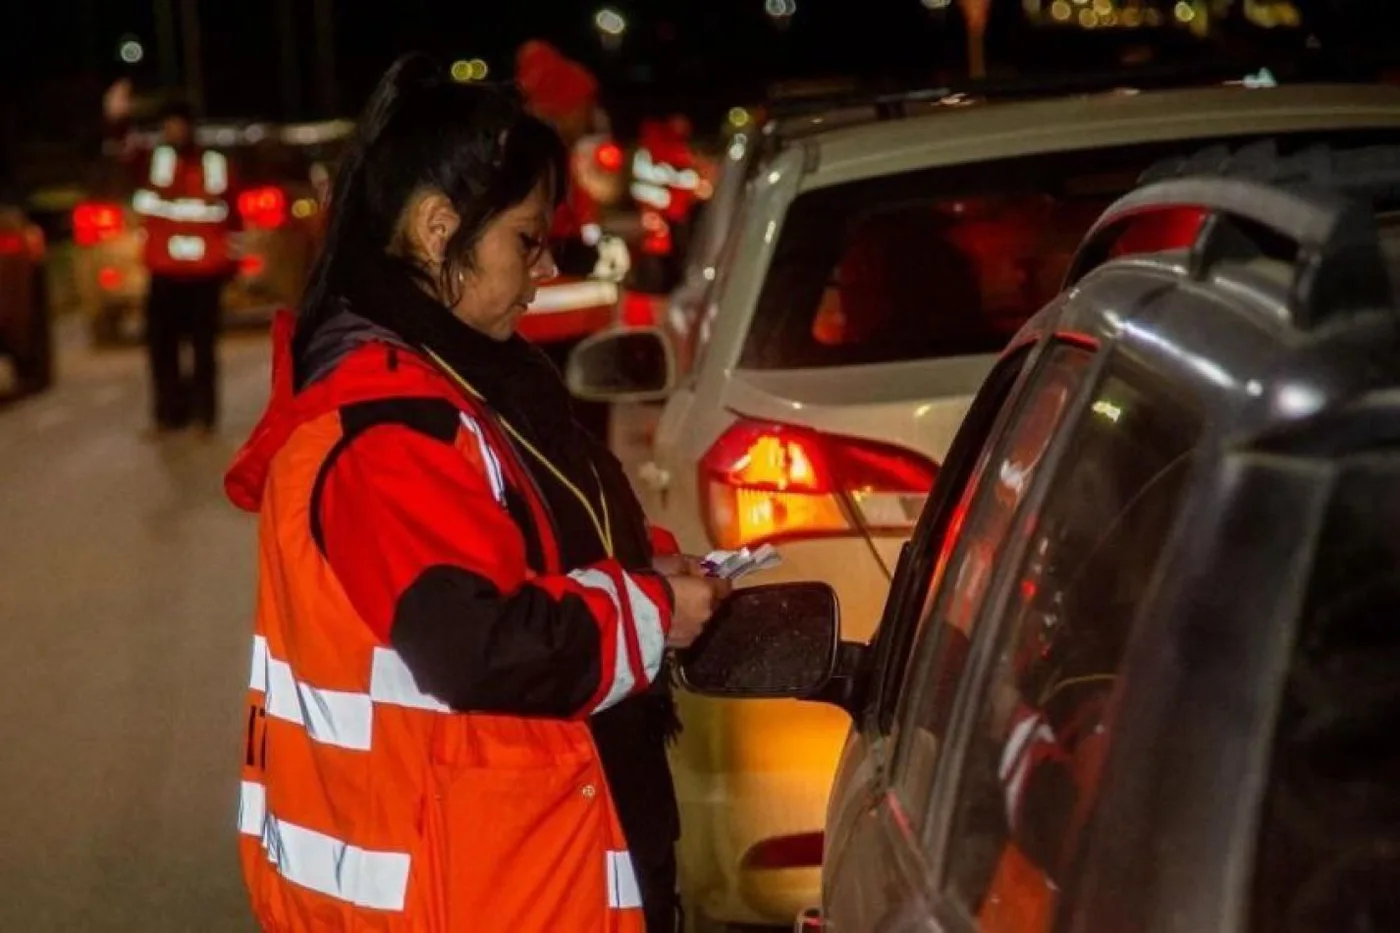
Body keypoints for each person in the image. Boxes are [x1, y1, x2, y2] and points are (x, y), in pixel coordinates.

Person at [224, 53, 729, 932]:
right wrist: (651, 609)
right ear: (435, 229)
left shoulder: (446, 384)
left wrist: (638, 557)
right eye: (526, 240)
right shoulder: (388, 431)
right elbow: (477, 645)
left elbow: (517, 524)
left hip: (505, 875)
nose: (541, 270)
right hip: (476, 895)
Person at [133, 99, 238, 435]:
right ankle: (168, 414)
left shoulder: (214, 164)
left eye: (178, 124)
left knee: (203, 348)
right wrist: (117, 119)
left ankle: (203, 415)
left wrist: (231, 263)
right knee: (162, 347)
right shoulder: (156, 162)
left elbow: (232, 216)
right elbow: (125, 160)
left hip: (205, 272)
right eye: (168, 126)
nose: (173, 131)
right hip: (164, 269)